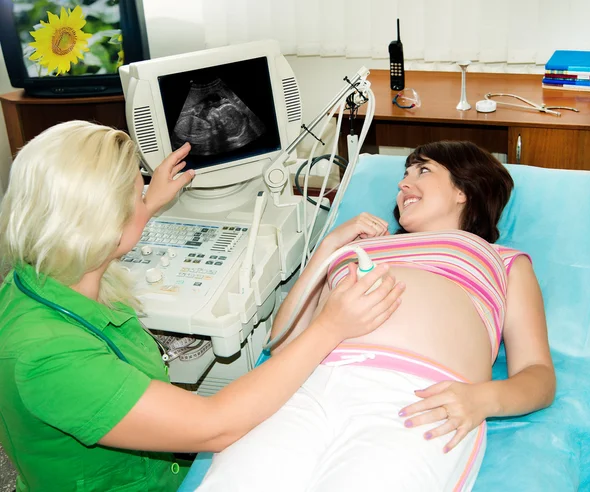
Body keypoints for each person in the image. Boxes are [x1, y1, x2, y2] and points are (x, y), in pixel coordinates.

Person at [0, 120, 405, 492]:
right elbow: (215, 427)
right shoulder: (49, 357)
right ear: (102, 222)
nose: (143, 194)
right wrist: (330, 327)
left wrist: (148, 204)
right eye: (133, 192)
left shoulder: (44, 269)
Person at [197, 141, 556, 492]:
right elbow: (283, 342)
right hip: (304, 384)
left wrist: (483, 399)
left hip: (417, 399)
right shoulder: (359, 248)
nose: (403, 183)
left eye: (423, 170)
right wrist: (330, 247)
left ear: (464, 189)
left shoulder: (501, 259)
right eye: (405, 173)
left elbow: (537, 374)